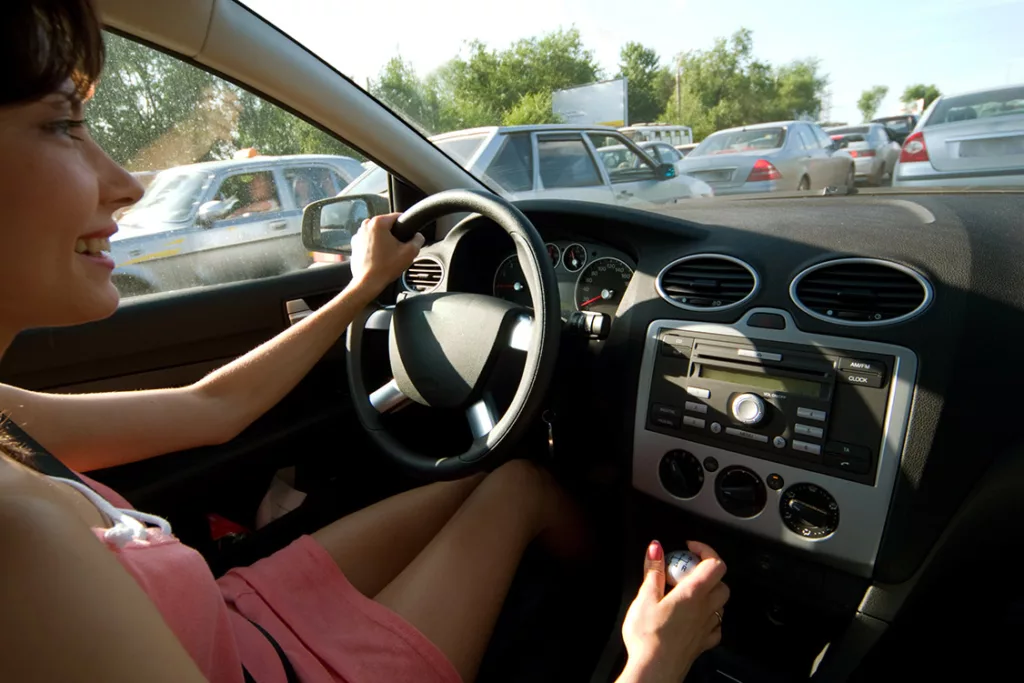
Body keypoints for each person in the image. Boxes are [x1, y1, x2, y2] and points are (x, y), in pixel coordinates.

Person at [0, 2, 728, 682]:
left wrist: (360, 289)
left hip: (228, 616)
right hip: (274, 666)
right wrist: (654, 661)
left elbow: (213, 405)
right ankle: (617, 613)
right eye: (63, 125)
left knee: (505, 478)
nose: (125, 182)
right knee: (523, 486)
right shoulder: (19, 538)